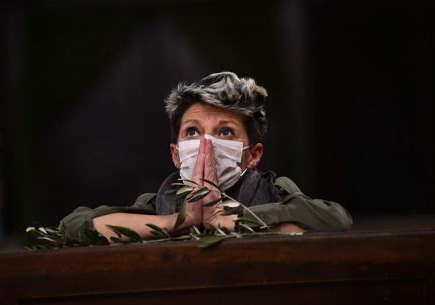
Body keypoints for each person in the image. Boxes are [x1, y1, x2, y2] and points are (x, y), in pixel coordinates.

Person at [60, 72, 352, 242]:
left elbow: (335, 218)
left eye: (225, 132)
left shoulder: (275, 191)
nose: (205, 145)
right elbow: (71, 226)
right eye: (192, 132)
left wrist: (229, 219)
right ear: (176, 155)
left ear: (253, 155)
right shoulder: (159, 202)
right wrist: (177, 222)